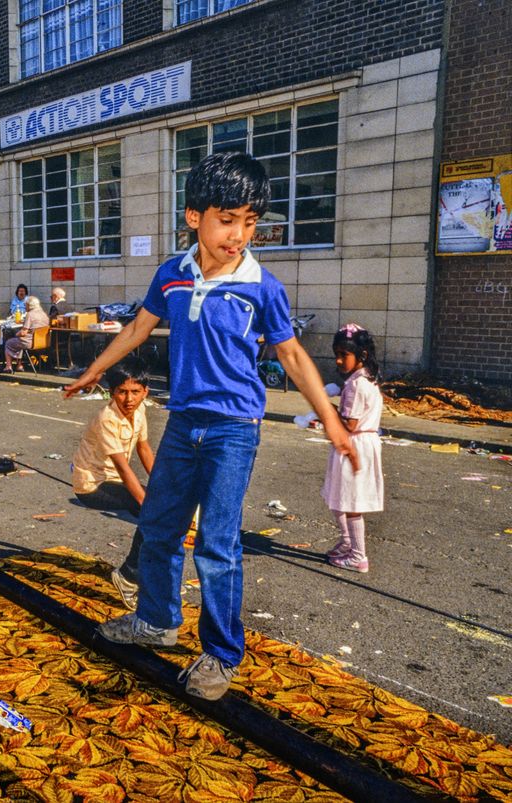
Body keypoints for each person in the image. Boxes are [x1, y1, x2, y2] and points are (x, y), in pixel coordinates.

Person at [64, 152, 356, 701]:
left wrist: (334, 423)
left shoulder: (261, 286)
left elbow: (291, 355)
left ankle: (221, 654)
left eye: (251, 222)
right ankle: (156, 621)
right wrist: (94, 372)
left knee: (217, 545)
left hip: (234, 429)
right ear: (194, 216)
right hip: (183, 423)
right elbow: (137, 330)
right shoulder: (172, 275)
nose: (240, 234)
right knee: (158, 526)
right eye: (229, 220)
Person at [71, 358, 154, 609]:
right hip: (92, 484)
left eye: (135, 392)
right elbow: (122, 465)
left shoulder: (139, 410)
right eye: (122, 392)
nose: (129, 399)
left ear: (145, 392)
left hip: (116, 479)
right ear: (111, 392)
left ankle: (150, 576)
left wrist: (164, 487)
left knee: (161, 509)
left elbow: (144, 448)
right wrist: (147, 502)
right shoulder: (106, 418)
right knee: (153, 513)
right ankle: (129, 576)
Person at [322, 324, 384, 573]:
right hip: (360, 443)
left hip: (354, 444)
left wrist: (326, 410)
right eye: (336, 354)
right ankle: (347, 541)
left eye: (344, 355)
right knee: (340, 495)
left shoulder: (356, 385)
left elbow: (349, 424)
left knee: (351, 502)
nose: (338, 360)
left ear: (362, 355)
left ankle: (358, 556)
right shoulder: (366, 378)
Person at [4, 295, 49, 372]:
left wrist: (16, 334)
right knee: (18, 342)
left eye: (25, 305)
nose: (25, 307)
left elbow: (23, 332)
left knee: (9, 343)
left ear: (29, 305)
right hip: (42, 341)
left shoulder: (30, 314)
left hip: (29, 342)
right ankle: (19, 366)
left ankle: (8, 366)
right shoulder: (44, 314)